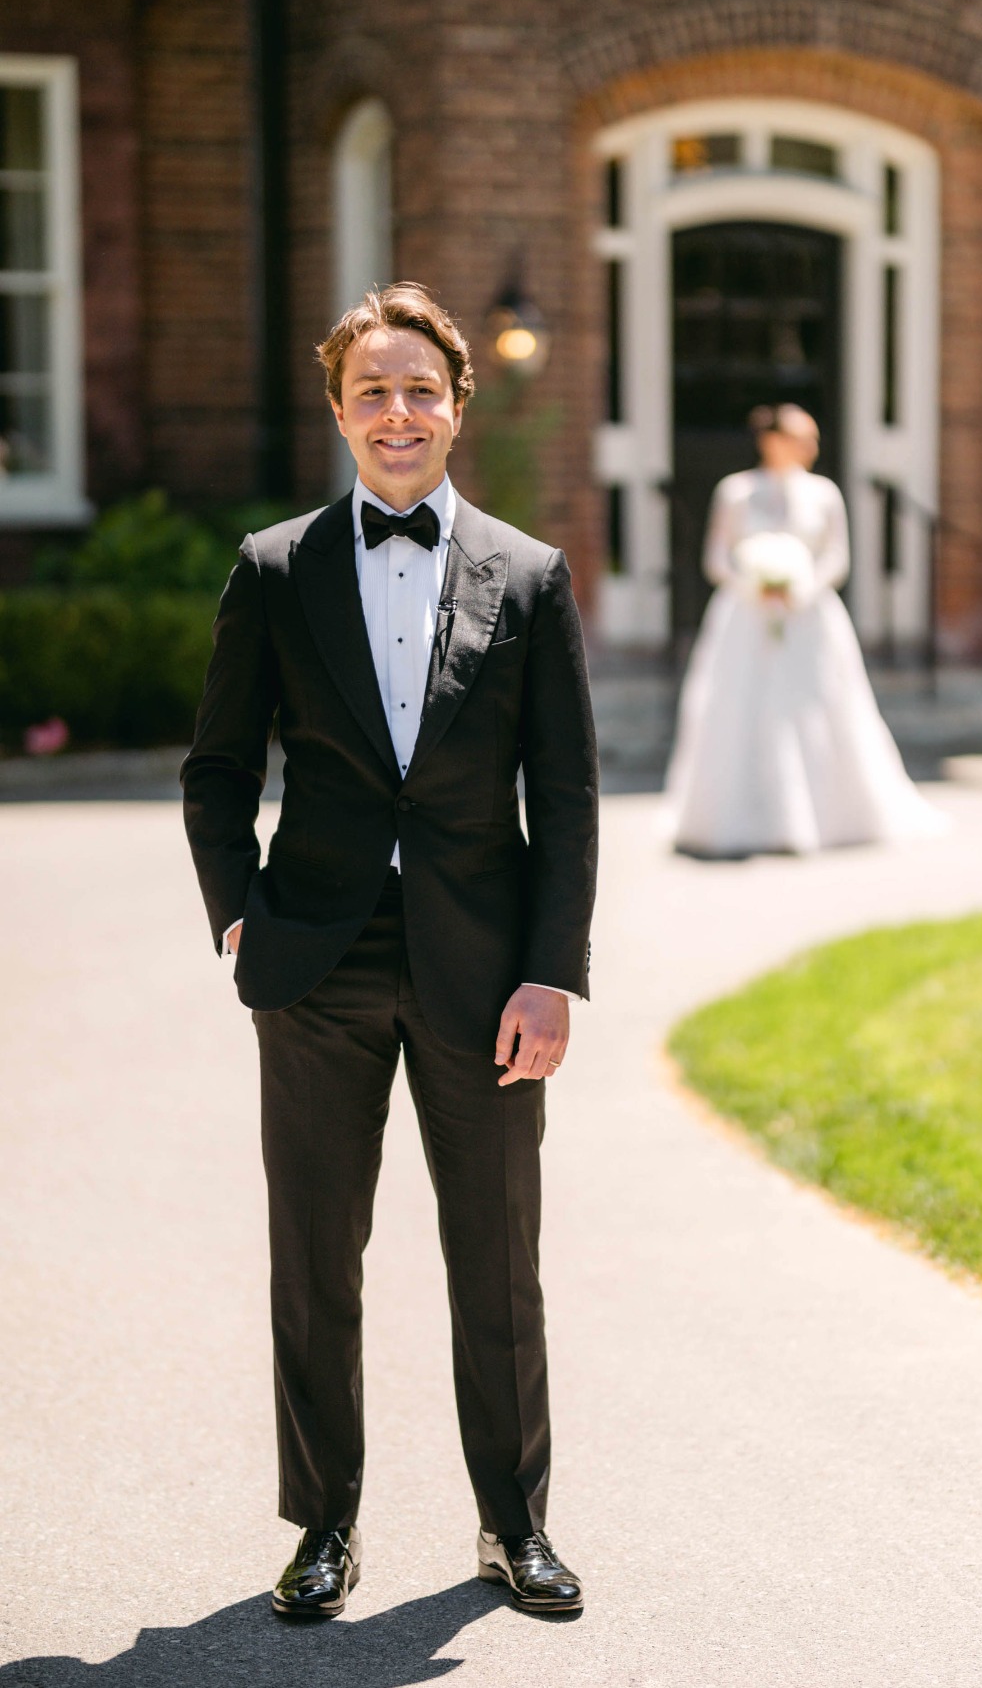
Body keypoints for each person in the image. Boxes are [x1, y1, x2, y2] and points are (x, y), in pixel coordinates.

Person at [181, 283, 598, 1618]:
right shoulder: (275, 566)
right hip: (316, 960)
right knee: (315, 1255)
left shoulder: (531, 577)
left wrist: (552, 967)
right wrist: (238, 912)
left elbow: (571, 793)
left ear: (458, 404)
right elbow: (216, 768)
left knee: (497, 1253)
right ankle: (324, 1525)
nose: (399, 411)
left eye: (422, 388)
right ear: (339, 408)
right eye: (374, 389)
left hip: (486, 969)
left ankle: (514, 1522)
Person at [667, 403, 945, 858]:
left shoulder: (825, 493)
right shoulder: (735, 491)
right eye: (801, 436)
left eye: (813, 438)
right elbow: (716, 558)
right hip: (747, 616)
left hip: (809, 616)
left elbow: (837, 558)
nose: (810, 447)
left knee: (814, 706)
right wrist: (752, 585)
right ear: (770, 439)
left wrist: (801, 587)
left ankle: (825, 814)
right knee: (741, 708)